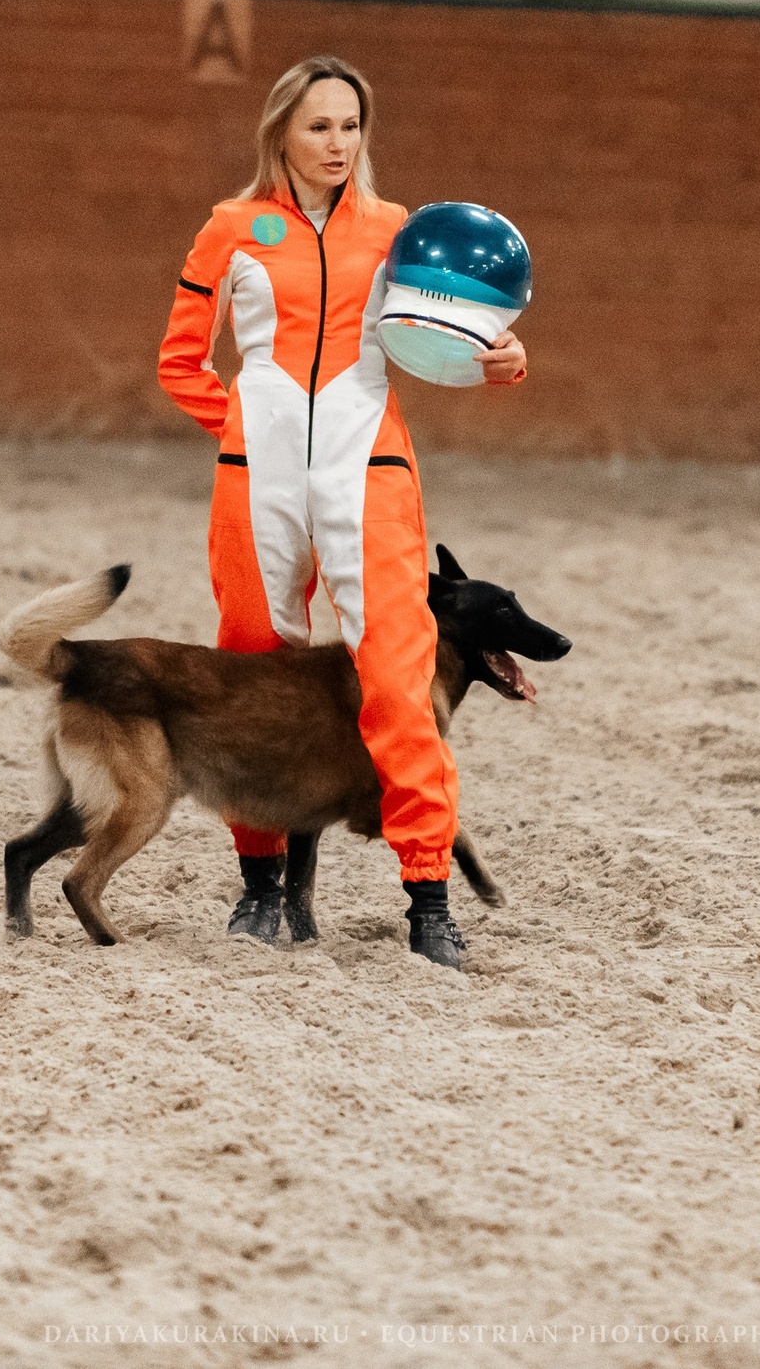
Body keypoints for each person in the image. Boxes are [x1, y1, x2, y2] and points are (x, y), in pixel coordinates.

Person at [156, 57, 527, 970]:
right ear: (281, 129)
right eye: (319, 126)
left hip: (373, 475)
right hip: (260, 481)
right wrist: (244, 428)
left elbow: (455, 344)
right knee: (249, 677)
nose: (337, 144)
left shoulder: (402, 233)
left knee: (399, 679)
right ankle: (260, 885)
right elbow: (178, 364)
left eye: (351, 126)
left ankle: (429, 901)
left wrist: (500, 359)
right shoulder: (230, 230)